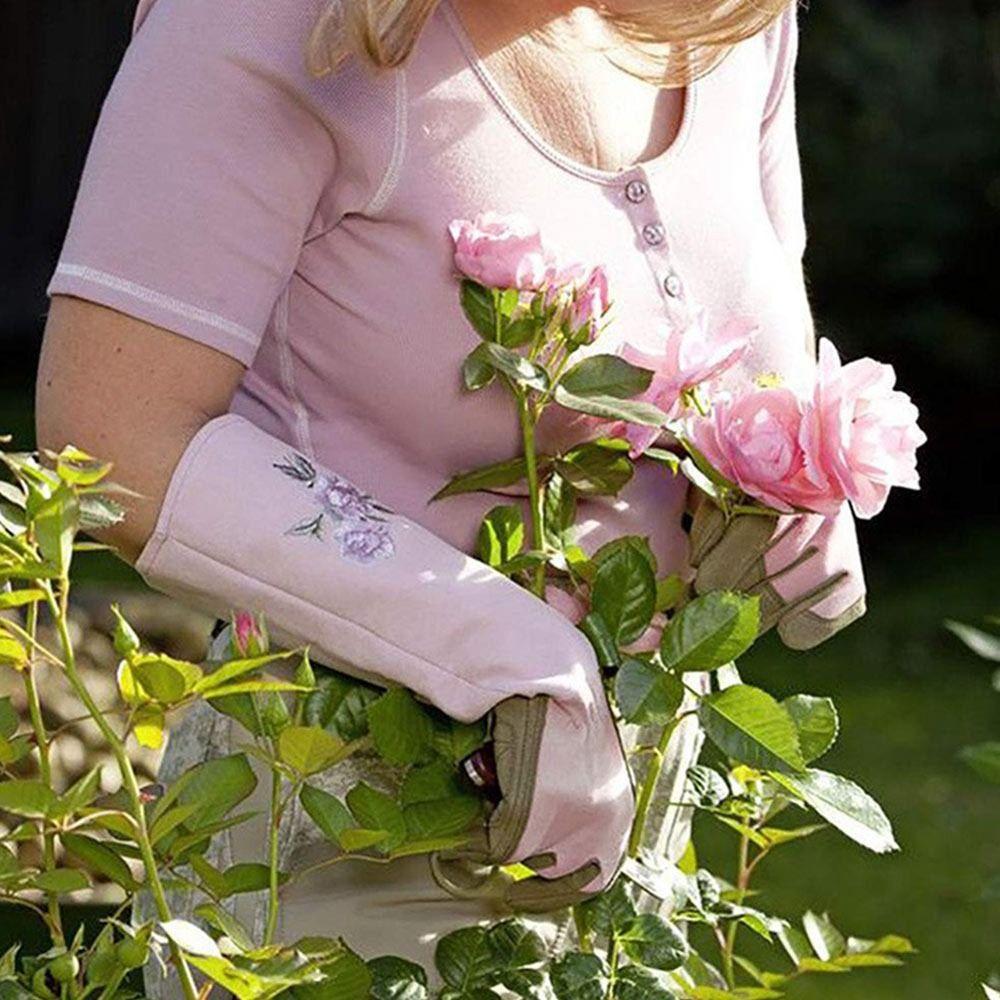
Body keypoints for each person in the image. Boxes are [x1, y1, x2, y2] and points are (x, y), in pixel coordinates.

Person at [36, 0, 866, 990]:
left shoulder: (729, 18)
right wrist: (495, 646)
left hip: (639, 821)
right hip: (341, 824)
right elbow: (120, 436)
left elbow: (739, 319)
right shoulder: (268, 21)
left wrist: (791, 472)